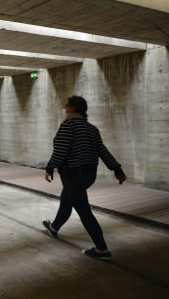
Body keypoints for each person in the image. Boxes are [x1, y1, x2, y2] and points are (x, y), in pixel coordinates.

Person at [42, 95, 127, 259]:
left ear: (73, 108)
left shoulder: (68, 126)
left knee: (84, 211)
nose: (65, 109)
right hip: (89, 175)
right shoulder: (91, 128)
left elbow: (60, 150)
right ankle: (54, 227)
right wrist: (117, 169)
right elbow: (103, 151)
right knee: (66, 199)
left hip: (73, 174)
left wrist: (50, 167)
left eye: (66, 106)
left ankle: (101, 249)